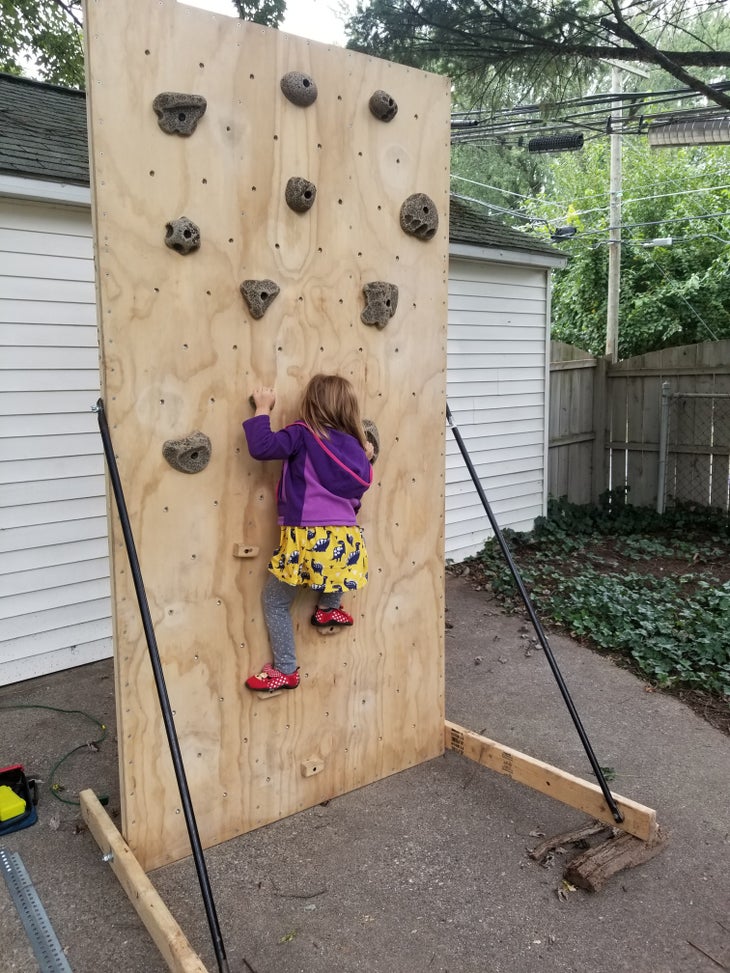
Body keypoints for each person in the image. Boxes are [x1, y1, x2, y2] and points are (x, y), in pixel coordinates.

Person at [242, 374, 374, 692]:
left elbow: (262, 448)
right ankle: (329, 608)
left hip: (307, 535)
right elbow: (358, 485)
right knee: (338, 567)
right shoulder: (358, 448)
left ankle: (285, 670)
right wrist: (369, 456)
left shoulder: (302, 435)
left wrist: (262, 408)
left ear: (310, 403)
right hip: (346, 536)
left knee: (274, 600)